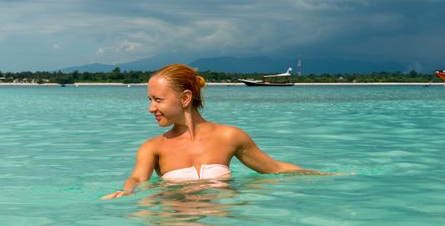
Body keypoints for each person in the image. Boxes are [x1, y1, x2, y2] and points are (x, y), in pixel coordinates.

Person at [101, 64, 327, 200]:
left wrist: (325, 176)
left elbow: (275, 169)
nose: (151, 108)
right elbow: (138, 178)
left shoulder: (229, 137)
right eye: (150, 100)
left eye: (157, 100)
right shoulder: (153, 147)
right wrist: (127, 192)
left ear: (185, 98)